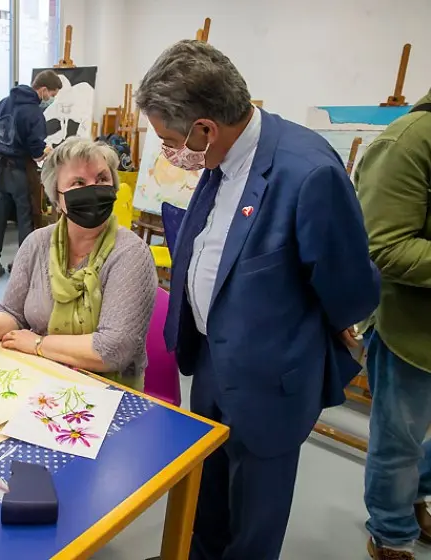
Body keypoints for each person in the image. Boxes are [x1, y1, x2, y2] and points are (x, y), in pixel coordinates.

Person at [135, 40, 381, 559]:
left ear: (205, 128)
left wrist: (320, 327)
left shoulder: (306, 172)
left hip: (271, 382)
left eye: (169, 139)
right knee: (206, 506)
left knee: (253, 524)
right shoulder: (219, 161)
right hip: (210, 365)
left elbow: (351, 289)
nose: (167, 152)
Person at [0, 137, 156, 390]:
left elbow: (113, 350)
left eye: (102, 178)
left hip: (107, 391)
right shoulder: (37, 243)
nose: (93, 189)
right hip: (39, 379)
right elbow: (12, 313)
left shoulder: (130, 252)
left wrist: (38, 344)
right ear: (57, 198)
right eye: (78, 182)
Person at [356, 89, 431, 560]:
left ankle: (407, 494)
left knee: (405, 453)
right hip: (412, 331)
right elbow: (381, 246)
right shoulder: (408, 142)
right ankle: (391, 532)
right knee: (399, 442)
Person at [0, 69, 62, 280]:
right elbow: (37, 152)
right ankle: (23, 267)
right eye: (52, 95)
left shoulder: (3, 102)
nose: (51, 99)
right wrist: (47, 150)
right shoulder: (33, 112)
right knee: (25, 218)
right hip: (18, 171)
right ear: (44, 90)